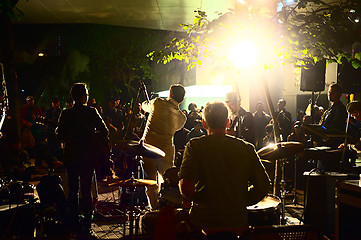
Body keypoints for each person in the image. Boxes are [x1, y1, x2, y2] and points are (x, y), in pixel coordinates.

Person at [179, 100, 270, 236]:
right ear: (227, 123)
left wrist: (197, 199)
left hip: (203, 222)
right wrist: (241, 200)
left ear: (204, 124)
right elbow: (263, 185)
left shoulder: (195, 146)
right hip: (237, 222)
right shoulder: (246, 148)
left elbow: (186, 187)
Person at [56, 83, 109, 237]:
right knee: (86, 190)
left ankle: (74, 225)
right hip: (88, 157)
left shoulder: (66, 114)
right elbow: (104, 131)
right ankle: (87, 226)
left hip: (71, 156)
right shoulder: (92, 112)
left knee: (72, 191)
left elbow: (60, 136)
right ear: (83, 96)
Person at [141, 84, 186, 209]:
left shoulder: (157, 103)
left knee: (150, 181)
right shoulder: (182, 118)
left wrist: (148, 102)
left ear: (169, 94)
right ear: (182, 100)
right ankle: (165, 207)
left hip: (148, 148)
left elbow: (145, 106)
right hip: (165, 151)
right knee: (167, 180)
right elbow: (176, 128)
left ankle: (153, 208)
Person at [319, 83, 348, 147]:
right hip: (327, 140)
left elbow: (334, 126)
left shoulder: (340, 109)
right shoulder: (330, 109)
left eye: (332, 92)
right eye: (329, 92)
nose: (329, 94)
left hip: (333, 143)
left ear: (338, 94)